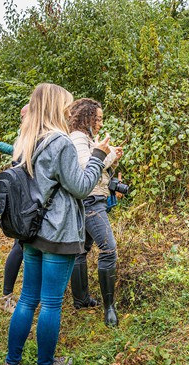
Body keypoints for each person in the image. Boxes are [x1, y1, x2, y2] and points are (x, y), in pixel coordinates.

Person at [4, 84, 110, 365]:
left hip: (31, 231)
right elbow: (81, 186)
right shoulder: (59, 142)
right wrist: (98, 156)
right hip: (58, 232)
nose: (69, 110)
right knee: (51, 304)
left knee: (26, 299)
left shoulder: (26, 141)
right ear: (55, 106)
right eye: (66, 105)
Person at [68, 98, 124, 327]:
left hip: (91, 199)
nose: (100, 123)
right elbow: (85, 166)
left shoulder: (86, 138)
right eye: (97, 119)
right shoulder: (79, 139)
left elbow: (96, 164)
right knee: (109, 250)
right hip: (91, 201)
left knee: (81, 250)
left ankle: (81, 299)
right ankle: (109, 308)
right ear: (86, 118)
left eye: (101, 119)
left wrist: (111, 155)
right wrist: (103, 154)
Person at [0, 103, 28, 313]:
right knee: (20, 246)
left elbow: (16, 151)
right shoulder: (26, 134)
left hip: (23, 198)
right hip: (23, 199)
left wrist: (0, 145)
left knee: (24, 246)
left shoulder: (28, 134)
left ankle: (23, 295)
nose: (21, 119)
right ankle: (7, 297)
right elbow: (20, 155)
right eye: (21, 116)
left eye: (24, 115)